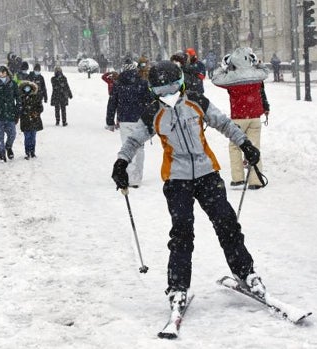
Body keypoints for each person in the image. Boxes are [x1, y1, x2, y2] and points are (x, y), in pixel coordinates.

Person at [111, 60, 265, 312]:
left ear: (181, 84)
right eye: (161, 91)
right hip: (176, 180)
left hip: (207, 175)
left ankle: (246, 273)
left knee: (227, 224)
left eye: (173, 88)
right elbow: (133, 140)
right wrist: (121, 162)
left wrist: (245, 144)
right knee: (182, 234)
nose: (168, 95)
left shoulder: (197, 102)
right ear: (153, 91)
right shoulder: (152, 113)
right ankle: (178, 287)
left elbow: (224, 123)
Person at [212, 47, 270, 190]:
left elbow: (215, 78)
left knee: (235, 146)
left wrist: (223, 66)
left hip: (238, 117)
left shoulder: (232, 77)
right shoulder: (256, 75)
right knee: (254, 146)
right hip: (255, 116)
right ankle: (255, 180)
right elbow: (266, 72)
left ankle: (238, 178)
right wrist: (257, 62)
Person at [106, 57, 152, 188]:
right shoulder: (142, 83)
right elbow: (149, 101)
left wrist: (110, 121)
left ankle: (130, 176)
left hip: (125, 119)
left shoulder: (118, 84)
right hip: (140, 119)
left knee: (128, 147)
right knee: (140, 148)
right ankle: (137, 177)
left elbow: (112, 103)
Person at [18, 81, 44, 159]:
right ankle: (27, 152)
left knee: (33, 137)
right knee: (27, 137)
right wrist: (23, 112)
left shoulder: (36, 97)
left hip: (34, 120)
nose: (27, 89)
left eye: (29, 87)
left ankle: (32, 151)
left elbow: (40, 107)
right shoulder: (21, 98)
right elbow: (19, 108)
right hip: (25, 120)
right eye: (25, 88)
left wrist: (36, 113)